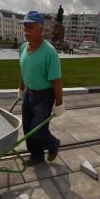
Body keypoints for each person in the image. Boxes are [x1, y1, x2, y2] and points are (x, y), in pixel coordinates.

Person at [17, 11, 64, 164]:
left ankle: (53, 143)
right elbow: (23, 70)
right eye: (25, 27)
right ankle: (37, 156)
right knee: (27, 129)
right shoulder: (24, 48)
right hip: (29, 94)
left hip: (44, 97)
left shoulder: (49, 52)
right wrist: (21, 89)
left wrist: (59, 104)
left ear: (41, 29)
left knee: (37, 129)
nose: (26, 31)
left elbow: (56, 80)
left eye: (30, 27)